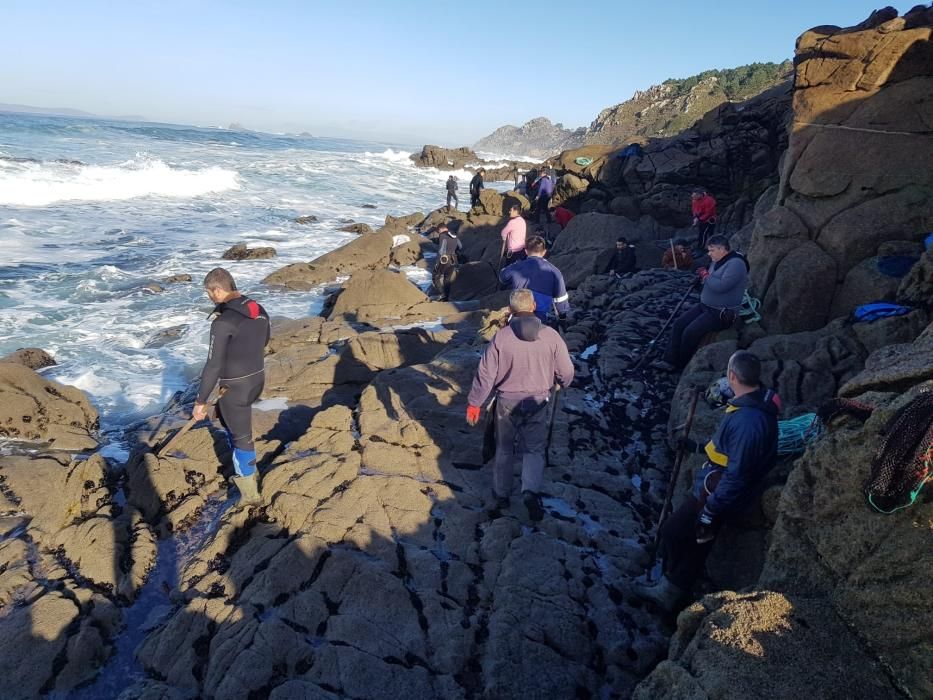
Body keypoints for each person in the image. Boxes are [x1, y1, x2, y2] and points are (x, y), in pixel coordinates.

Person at [633, 351, 779, 611]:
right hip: (716, 485)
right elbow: (726, 449)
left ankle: (670, 590)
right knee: (691, 539)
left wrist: (712, 508)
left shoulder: (749, 421)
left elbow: (738, 472)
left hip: (718, 491)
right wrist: (696, 447)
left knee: (678, 533)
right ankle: (671, 583)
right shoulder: (750, 403)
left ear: (732, 375)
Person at [465, 289, 575, 521]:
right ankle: (529, 491)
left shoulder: (501, 338)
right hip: (538, 401)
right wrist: (561, 383)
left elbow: (485, 375)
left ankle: (502, 495)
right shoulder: (552, 336)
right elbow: (567, 372)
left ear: (511, 310)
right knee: (534, 449)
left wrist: (475, 403)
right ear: (534, 306)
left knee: (505, 449)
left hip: (506, 403)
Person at [194, 268, 271, 505]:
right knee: (238, 431)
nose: (209, 297)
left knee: (241, 438)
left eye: (209, 293)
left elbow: (213, 366)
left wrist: (200, 402)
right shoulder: (257, 308)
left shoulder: (222, 322)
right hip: (256, 379)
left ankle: (250, 495)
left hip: (234, 388)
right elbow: (265, 339)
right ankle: (249, 472)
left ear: (217, 290)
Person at [655, 235, 748, 371]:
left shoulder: (736, 264)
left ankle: (680, 364)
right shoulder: (718, 261)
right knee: (679, 324)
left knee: (690, 332)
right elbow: (711, 280)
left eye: (711, 250)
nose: (709, 254)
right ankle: (669, 360)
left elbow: (721, 286)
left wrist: (705, 276)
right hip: (705, 306)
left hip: (721, 312)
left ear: (721, 249)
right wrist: (701, 280)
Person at [500, 235, 570, 323]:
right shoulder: (554, 271)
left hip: (519, 311)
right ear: (544, 252)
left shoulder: (517, 266)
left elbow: (502, 278)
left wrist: (511, 266)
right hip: (541, 315)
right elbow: (561, 296)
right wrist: (562, 316)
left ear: (525, 251)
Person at [431, 223, 462, 301]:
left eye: (438, 231)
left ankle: (442, 294)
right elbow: (460, 246)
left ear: (440, 229)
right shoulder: (454, 234)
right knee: (447, 279)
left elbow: (442, 250)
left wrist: (437, 262)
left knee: (436, 277)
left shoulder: (442, 235)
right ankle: (447, 298)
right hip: (453, 259)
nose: (439, 233)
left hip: (445, 259)